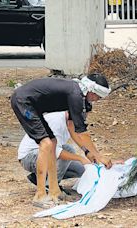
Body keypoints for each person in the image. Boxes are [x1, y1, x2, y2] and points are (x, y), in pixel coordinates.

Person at [11, 73, 112, 207]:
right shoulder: (76, 95)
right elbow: (82, 132)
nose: (97, 100)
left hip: (34, 106)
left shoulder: (77, 95)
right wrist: (99, 156)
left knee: (52, 143)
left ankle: (54, 191)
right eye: (98, 97)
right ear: (91, 91)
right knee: (46, 143)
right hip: (23, 102)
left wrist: (88, 152)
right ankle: (40, 194)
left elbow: (73, 128)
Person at [18, 111, 90, 199]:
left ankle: (41, 178)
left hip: (45, 154)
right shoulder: (57, 121)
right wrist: (81, 158)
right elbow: (55, 152)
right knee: (68, 150)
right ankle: (50, 186)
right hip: (29, 156)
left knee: (81, 170)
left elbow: (79, 138)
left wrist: (90, 154)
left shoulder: (70, 122)